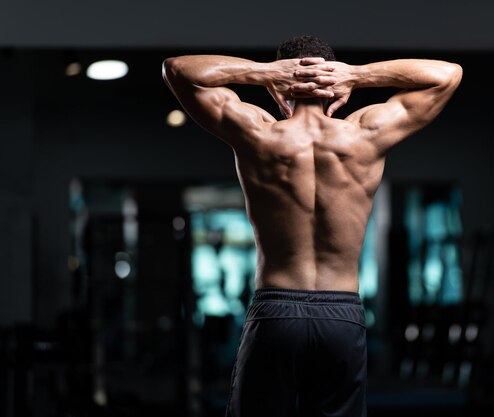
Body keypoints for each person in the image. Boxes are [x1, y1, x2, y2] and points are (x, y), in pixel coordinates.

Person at [163, 35, 462, 417]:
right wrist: (358, 75)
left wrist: (260, 73)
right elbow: (447, 75)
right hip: (341, 315)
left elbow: (177, 69)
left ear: (279, 89)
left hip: (275, 312)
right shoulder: (365, 135)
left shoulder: (258, 133)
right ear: (334, 84)